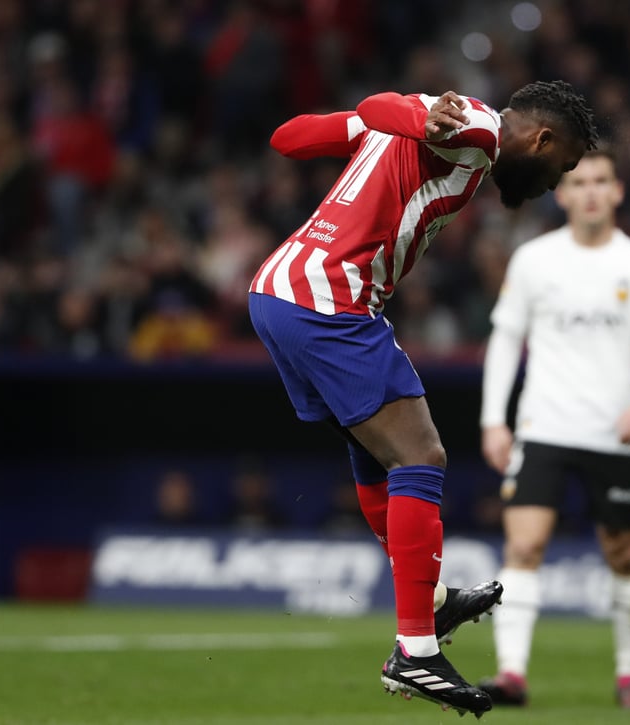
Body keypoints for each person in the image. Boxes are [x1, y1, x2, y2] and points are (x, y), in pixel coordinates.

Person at [247, 81, 597, 717]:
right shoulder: (481, 131)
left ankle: (430, 602)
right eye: (563, 166)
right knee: (420, 457)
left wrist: (401, 119)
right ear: (542, 140)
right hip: (330, 301)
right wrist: (420, 114)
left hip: (277, 292)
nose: (555, 183)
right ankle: (415, 650)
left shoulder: (418, 132)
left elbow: (287, 137)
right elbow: (387, 109)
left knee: (377, 456)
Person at [477, 150, 630, 710]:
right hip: (543, 426)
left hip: (613, 433)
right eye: (579, 182)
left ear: (617, 192)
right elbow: (505, 340)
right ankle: (511, 674)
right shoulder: (534, 260)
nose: (591, 191)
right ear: (560, 194)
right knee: (524, 545)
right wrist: (493, 419)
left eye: (601, 181)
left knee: (624, 555)